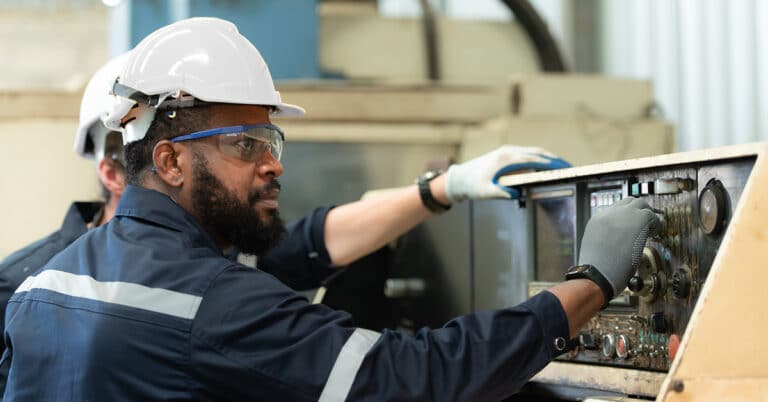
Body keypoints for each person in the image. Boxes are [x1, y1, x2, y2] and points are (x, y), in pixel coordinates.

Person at [2, 18, 660, 401]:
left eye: (272, 139)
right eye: (245, 144)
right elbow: (415, 377)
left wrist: (443, 188)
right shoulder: (213, 303)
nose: (273, 163)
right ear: (171, 162)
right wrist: (589, 285)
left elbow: (302, 247)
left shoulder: (44, 284)